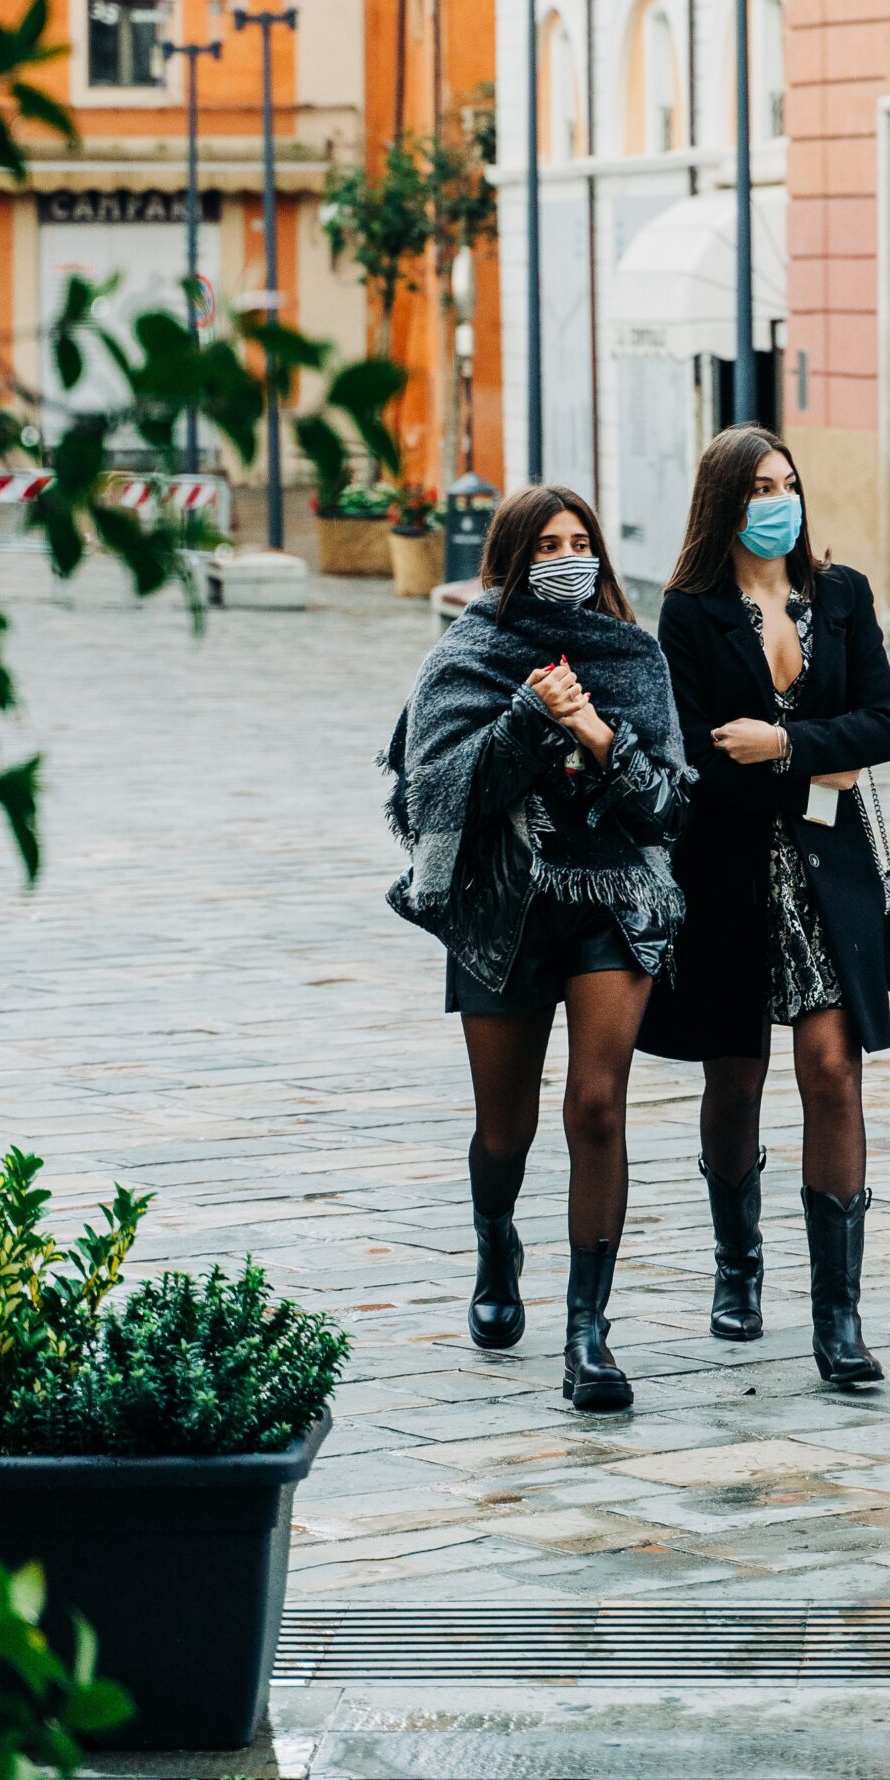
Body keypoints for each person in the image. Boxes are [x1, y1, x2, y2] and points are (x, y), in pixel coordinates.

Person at [383, 484, 690, 1414]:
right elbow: (439, 797)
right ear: (512, 561)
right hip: (499, 912)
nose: (569, 556)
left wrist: (596, 731)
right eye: (548, 544)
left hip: (613, 901)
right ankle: (495, 1240)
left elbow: (668, 805)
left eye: (580, 540)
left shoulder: (636, 657)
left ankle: (588, 1336)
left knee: (597, 1109)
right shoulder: (466, 657)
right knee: (503, 1132)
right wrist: (526, 717)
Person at [639, 425, 890, 1386]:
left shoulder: (840, 597)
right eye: (758, 486)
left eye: (787, 482)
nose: (777, 499)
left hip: (830, 875)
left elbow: (889, 724)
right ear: (724, 502)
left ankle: (839, 1317)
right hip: (726, 873)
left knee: (833, 1070)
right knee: (736, 1074)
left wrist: (786, 747)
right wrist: (814, 763)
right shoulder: (689, 613)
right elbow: (702, 761)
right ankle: (737, 1264)